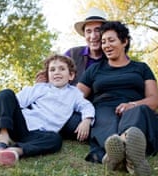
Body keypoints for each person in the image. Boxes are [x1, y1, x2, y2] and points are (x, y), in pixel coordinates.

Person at [0, 54, 95, 166]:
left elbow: (86, 106)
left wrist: (86, 120)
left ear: (71, 75)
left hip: (40, 134)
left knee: (56, 140)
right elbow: (16, 100)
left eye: (61, 69)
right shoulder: (40, 88)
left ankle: (14, 151)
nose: (57, 72)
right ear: (47, 75)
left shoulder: (74, 93)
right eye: (52, 69)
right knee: (6, 94)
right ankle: (3, 139)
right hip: (21, 126)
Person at [77, 21, 158, 176]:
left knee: (139, 111)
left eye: (111, 40)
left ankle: (116, 152)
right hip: (104, 109)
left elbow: (154, 101)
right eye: (103, 42)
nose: (106, 45)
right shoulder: (95, 69)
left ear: (124, 41)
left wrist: (133, 104)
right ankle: (128, 155)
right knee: (104, 118)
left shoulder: (141, 68)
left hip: (134, 108)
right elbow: (75, 97)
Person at [37, 7, 107, 140]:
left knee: (91, 124)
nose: (93, 36)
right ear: (84, 34)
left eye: (98, 30)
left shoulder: (111, 58)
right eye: (88, 31)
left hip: (93, 111)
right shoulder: (73, 54)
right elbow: (52, 74)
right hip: (65, 107)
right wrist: (43, 81)